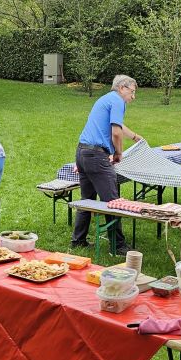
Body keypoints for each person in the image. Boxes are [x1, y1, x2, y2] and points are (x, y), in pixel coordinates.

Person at [71, 75, 143, 254]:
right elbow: (116, 133)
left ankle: (78, 241)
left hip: (82, 153)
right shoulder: (118, 101)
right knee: (113, 201)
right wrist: (118, 153)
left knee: (86, 200)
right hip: (97, 156)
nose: (133, 97)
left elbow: (119, 125)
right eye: (132, 92)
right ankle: (117, 246)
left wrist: (135, 137)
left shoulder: (105, 99)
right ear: (122, 88)